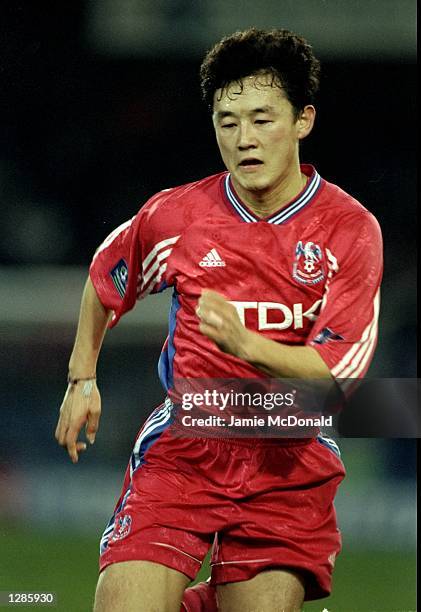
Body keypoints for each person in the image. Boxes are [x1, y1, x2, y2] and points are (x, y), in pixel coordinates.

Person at [55, 28, 383, 612]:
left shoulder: (350, 230)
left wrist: (247, 343)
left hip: (291, 455)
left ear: (303, 121)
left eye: (262, 119)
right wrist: (83, 377)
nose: (244, 139)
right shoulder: (176, 215)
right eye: (227, 122)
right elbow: (107, 278)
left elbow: (338, 376)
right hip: (187, 447)